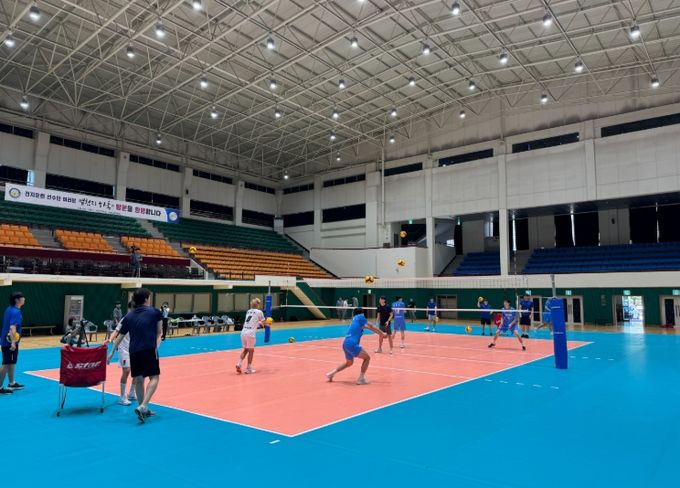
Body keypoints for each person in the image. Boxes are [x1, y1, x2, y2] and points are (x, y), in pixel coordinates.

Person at [117, 288, 163, 423]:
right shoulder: (155, 312)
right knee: (154, 377)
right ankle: (143, 405)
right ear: (146, 299)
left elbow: (120, 335)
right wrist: (156, 346)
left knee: (139, 379)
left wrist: (112, 351)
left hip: (134, 351)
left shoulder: (129, 316)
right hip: (149, 349)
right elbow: (159, 333)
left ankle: (143, 409)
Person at [326, 308, 387, 385]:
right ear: (361, 313)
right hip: (352, 343)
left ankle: (331, 373)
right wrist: (382, 333)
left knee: (349, 363)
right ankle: (361, 379)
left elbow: (370, 328)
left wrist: (381, 334)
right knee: (367, 358)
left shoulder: (355, 320)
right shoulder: (360, 317)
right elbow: (371, 326)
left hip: (345, 343)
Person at [107, 301, 137, 405]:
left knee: (137, 371)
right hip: (124, 348)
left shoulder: (140, 319)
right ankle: (122, 396)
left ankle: (132, 393)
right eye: (134, 307)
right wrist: (110, 339)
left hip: (135, 348)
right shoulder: (126, 319)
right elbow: (116, 331)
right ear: (130, 308)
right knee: (127, 370)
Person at [0, 292, 26, 394]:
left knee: (12, 362)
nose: (24, 299)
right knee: (6, 364)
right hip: (9, 342)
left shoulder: (9, 309)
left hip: (8, 340)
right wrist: (13, 343)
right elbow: (12, 327)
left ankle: (12, 383)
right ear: (17, 300)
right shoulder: (15, 312)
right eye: (22, 297)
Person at [236, 298, 264, 374]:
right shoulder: (259, 312)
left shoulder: (248, 311)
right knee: (251, 351)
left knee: (245, 350)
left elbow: (254, 321)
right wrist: (268, 323)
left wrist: (259, 323)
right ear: (258, 305)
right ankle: (248, 368)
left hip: (243, 332)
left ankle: (239, 363)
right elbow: (263, 322)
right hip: (250, 333)